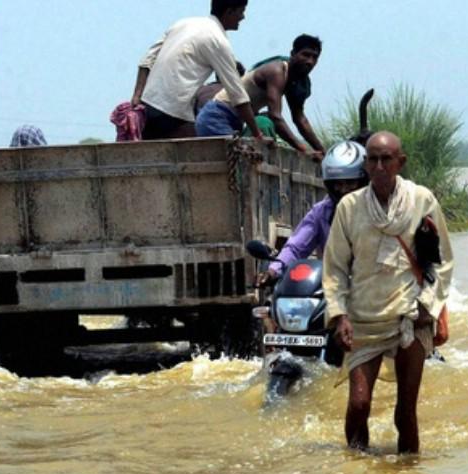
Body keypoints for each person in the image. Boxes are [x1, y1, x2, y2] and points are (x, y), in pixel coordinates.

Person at [323, 131, 453, 454]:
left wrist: (428, 306)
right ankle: (356, 472)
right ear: (365, 164)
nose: (379, 166)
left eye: (386, 159)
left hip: (410, 314)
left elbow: (444, 261)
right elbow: (335, 267)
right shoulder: (350, 208)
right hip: (365, 317)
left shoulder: (422, 200)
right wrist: (339, 316)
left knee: (405, 412)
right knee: (359, 405)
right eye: (372, 159)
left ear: (400, 162)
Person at [130, 0, 263, 141]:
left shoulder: (182, 23)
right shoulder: (218, 41)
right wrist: (257, 134)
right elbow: (238, 94)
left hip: (147, 105)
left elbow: (147, 59)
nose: (243, 17)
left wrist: (137, 96)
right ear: (229, 12)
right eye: (241, 11)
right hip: (175, 113)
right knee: (200, 154)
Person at [196, 35, 325, 160]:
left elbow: (300, 119)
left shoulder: (296, 82)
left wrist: (322, 151)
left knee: (244, 157)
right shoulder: (277, 71)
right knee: (236, 164)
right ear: (293, 53)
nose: (310, 61)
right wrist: (304, 150)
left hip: (236, 121)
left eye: (315, 57)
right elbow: (276, 116)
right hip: (216, 116)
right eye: (306, 55)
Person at [262, 140, 369, 282]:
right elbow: (296, 248)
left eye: (350, 183)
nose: (343, 190)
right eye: (338, 184)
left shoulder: (377, 211)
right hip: (333, 287)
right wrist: (273, 270)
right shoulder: (322, 212)